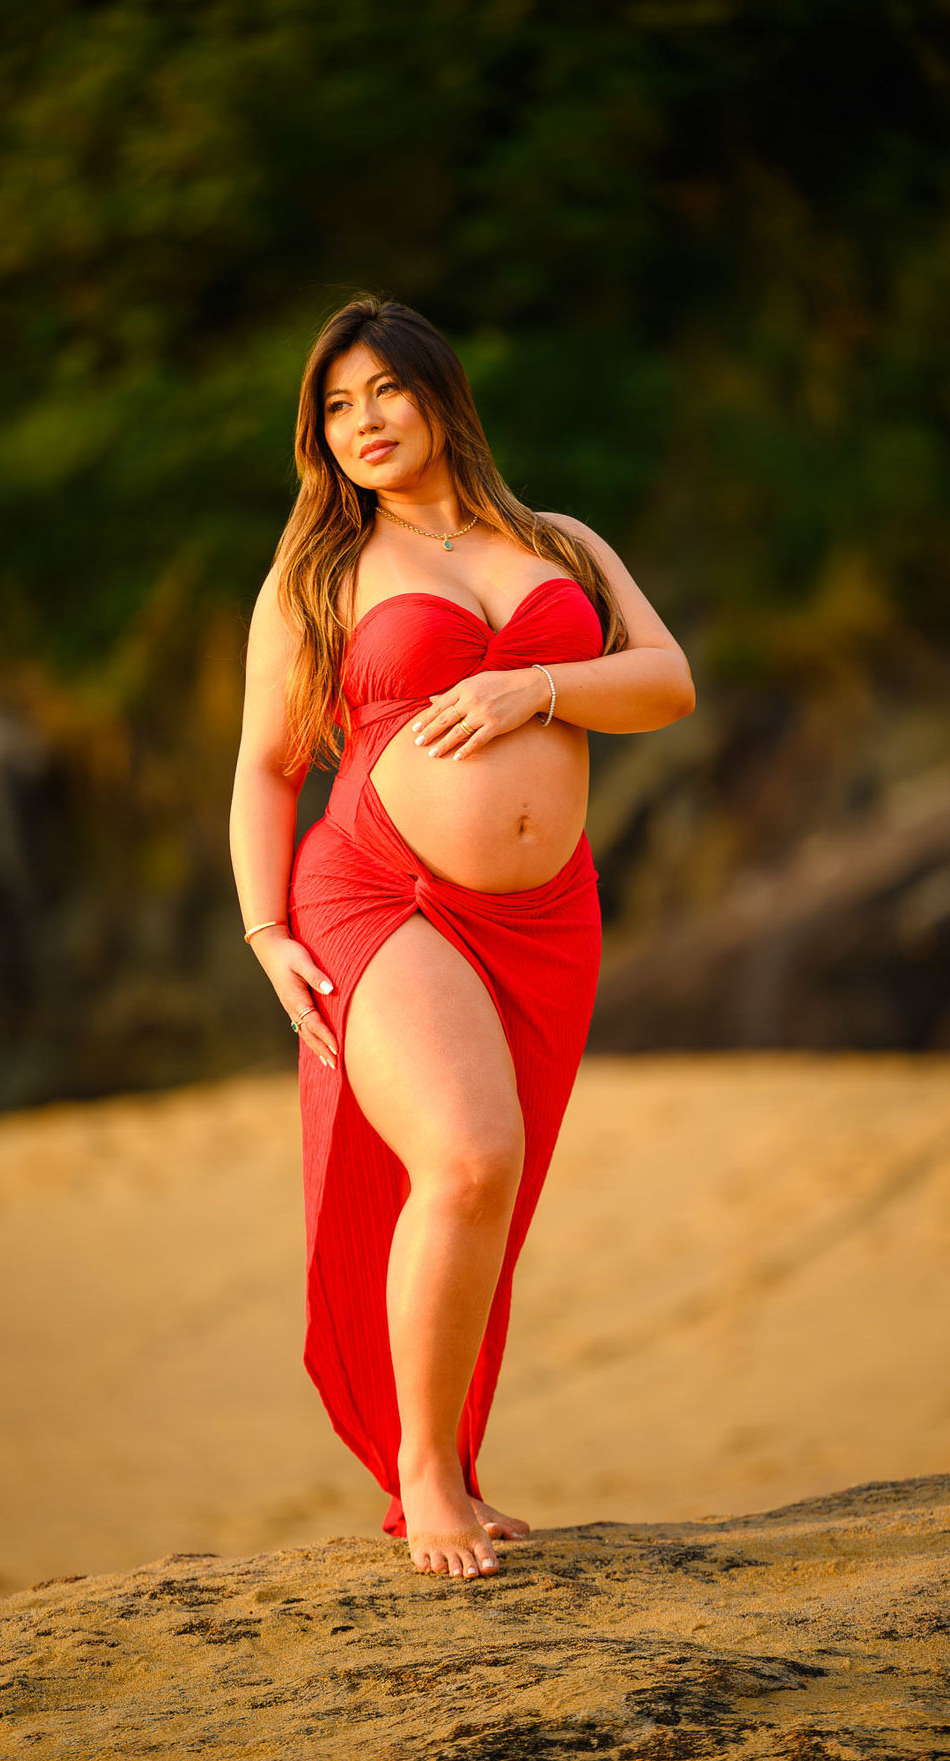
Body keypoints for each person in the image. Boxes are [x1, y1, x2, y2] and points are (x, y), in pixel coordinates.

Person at [229, 295, 695, 1581]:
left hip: (545, 918)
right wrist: (268, 931)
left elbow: (664, 681)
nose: (361, 421)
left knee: (504, 1188)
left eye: (383, 390)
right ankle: (423, 1479)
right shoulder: (318, 573)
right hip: (379, 890)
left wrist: (531, 685)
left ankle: (459, 1463)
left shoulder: (560, 542)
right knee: (472, 1157)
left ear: (440, 395)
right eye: (334, 405)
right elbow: (269, 770)